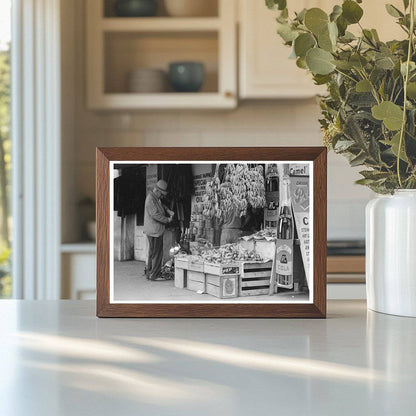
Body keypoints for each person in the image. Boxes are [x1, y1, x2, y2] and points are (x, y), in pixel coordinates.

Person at [143, 179, 174, 281]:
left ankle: (150, 273)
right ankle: (154, 275)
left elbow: (161, 205)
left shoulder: (155, 197)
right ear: (157, 191)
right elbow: (155, 215)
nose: (162, 196)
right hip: (154, 231)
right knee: (157, 253)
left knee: (153, 253)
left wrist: (168, 210)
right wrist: (167, 220)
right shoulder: (150, 199)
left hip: (154, 230)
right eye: (161, 194)